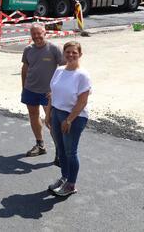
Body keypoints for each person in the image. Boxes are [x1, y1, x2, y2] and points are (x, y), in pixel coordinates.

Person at [45, 41, 91, 197]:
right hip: (57, 113)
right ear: (63, 54)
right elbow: (52, 93)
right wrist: (48, 113)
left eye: (74, 52)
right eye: (68, 52)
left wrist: (69, 120)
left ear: (80, 55)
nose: (70, 55)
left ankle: (71, 184)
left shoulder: (82, 75)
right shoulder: (59, 70)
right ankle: (65, 178)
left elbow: (82, 101)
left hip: (74, 117)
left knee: (71, 152)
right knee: (61, 149)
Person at [21, 23, 64, 157]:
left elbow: (64, 70)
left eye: (39, 33)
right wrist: (23, 87)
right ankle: (40, 145)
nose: (36, 36)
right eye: (33, 34)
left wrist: (57, 90)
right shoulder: (28, 49)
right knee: (33, 116)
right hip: (30, 89)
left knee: (51, 121)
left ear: (45, 33)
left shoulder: (54, 49)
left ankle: (59, 150)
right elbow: (25, 69)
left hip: (48, 93)